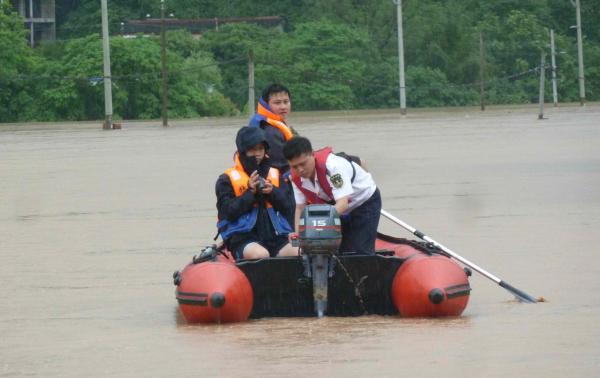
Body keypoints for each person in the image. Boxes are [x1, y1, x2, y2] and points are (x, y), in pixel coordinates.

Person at [283, 136, 382, 255]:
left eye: (303, 164)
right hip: (336, 208)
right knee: (335, 251)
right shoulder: (295, 177)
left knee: (360, 253)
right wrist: (298, 234)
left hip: (364, 201)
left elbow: (342, 203)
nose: (300, 170)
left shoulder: (333, 167)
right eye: (294, 166)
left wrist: (316, 223)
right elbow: (300, 207)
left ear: (313, 155)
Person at [216, 127, 298, 260]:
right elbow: (227, 213)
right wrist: (250, 193)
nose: (258, 153)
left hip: (277, 235)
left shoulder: (275, 174)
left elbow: (289, 207)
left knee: (299, 250)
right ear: (243, 152)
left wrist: (272, 192)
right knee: (260, 254)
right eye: (253, 150)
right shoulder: (226, 179)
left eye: (261, 149)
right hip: (243, 237)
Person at [248, 83, 295, 173]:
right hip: (275, 181)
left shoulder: (266, 122)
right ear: (266, 104)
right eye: (277, 103)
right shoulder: (270, 131)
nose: (283, 107)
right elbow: (280, 166)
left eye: (286, 102)